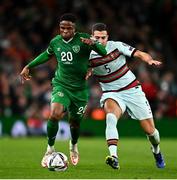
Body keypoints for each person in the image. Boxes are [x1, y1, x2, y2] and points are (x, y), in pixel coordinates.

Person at [20, 14, 107, 167]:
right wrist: (29, 66)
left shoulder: (84, 39)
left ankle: (73, 145)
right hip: (61, 85)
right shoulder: (56, 42)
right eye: (62, 27)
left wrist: (93, 43)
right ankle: (50, 148)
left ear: (75, 28)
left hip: (79, 90)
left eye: (69, 28)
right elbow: (46, 55)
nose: (65, 30)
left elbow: (103, 52)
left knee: (74, 123)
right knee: (54, 114)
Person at [88, 23, 165, 169]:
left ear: (107, 37)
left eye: (103, 37)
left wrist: (148, 60)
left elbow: (139, 53)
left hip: (132, 90)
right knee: (110, 117)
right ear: (92, 37)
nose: (100, 41)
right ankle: (114, 157)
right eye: (97, 38)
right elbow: (80, 70)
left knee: (151, 132)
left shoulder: (116, 46)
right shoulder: (88, 55)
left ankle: (156, 151)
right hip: (111, 93)